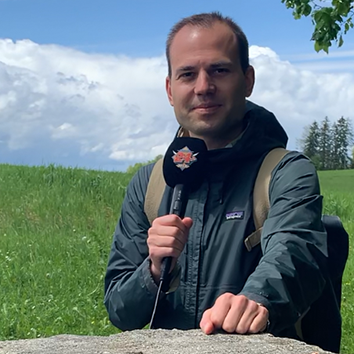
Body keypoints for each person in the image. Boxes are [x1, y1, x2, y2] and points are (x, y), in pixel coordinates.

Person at [104, 12, 328, 340]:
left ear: (248, 80)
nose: (203, 87)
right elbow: (119, 311)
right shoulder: (150, 184)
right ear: (170, 90)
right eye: (187, 74)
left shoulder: (285, 172)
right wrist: (152, 271)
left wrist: (256, 301)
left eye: (219, 70)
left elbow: (294, 251)